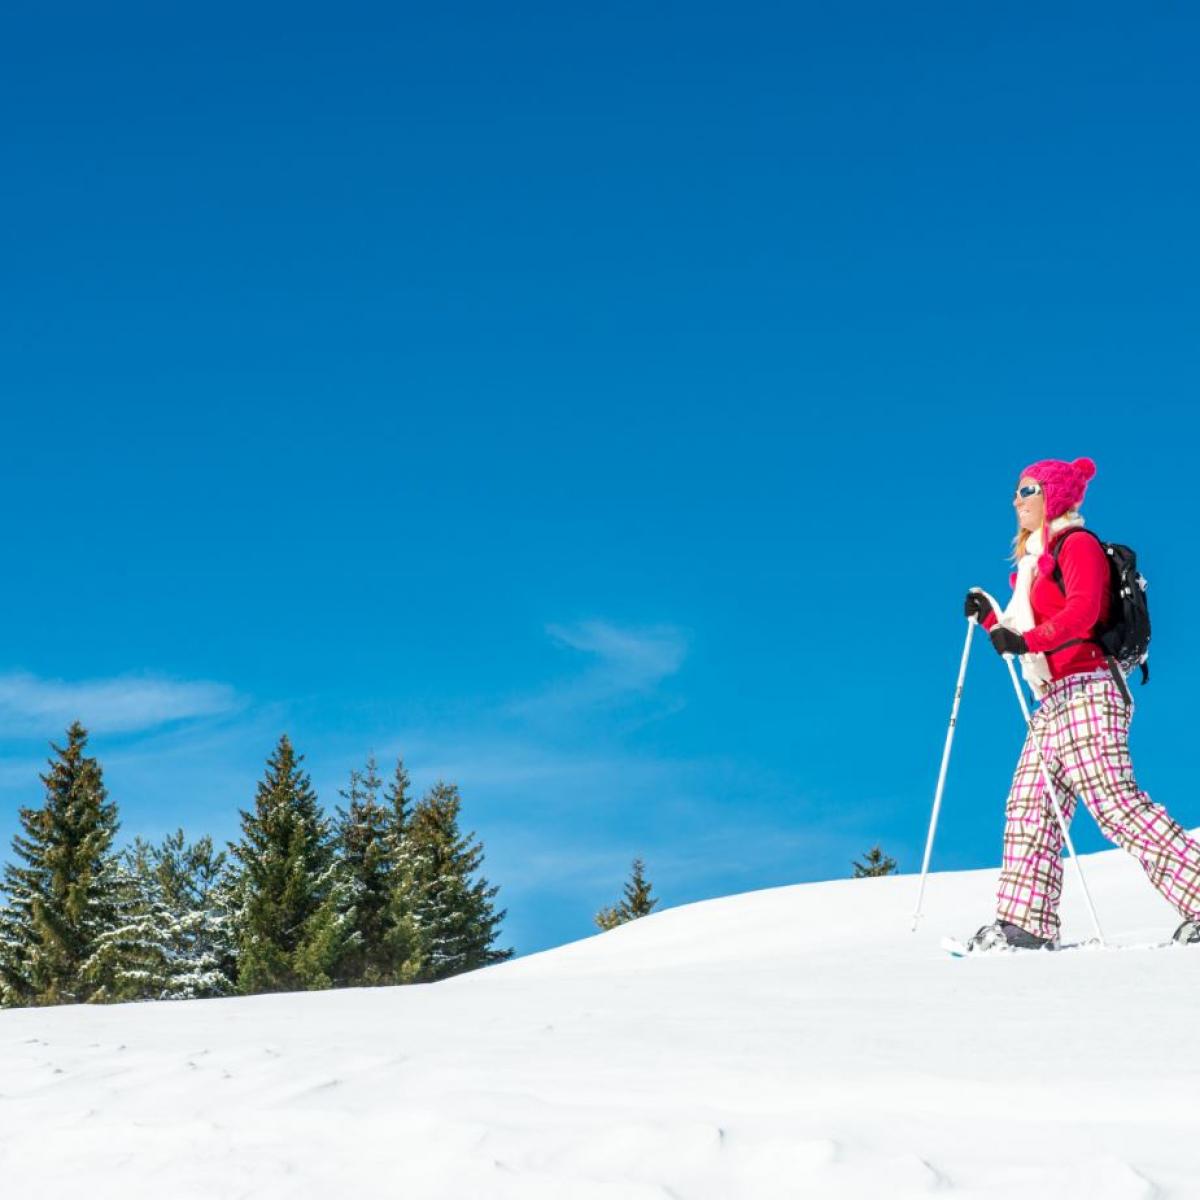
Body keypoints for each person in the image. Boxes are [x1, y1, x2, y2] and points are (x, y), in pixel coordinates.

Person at [962, 455, 1200, 951]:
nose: (1016, 500)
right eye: (1016, 490)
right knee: (1030, 808)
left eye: (1027, 490)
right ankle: (1024, 926)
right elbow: (1025, 637)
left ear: (1053, 495)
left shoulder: (1078, 544)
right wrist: (992, 621)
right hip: (1052, 698)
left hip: (1089, 688)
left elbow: (1085, 611)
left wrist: (1026, 642)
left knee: (1115, 803)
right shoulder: (1033, 564)